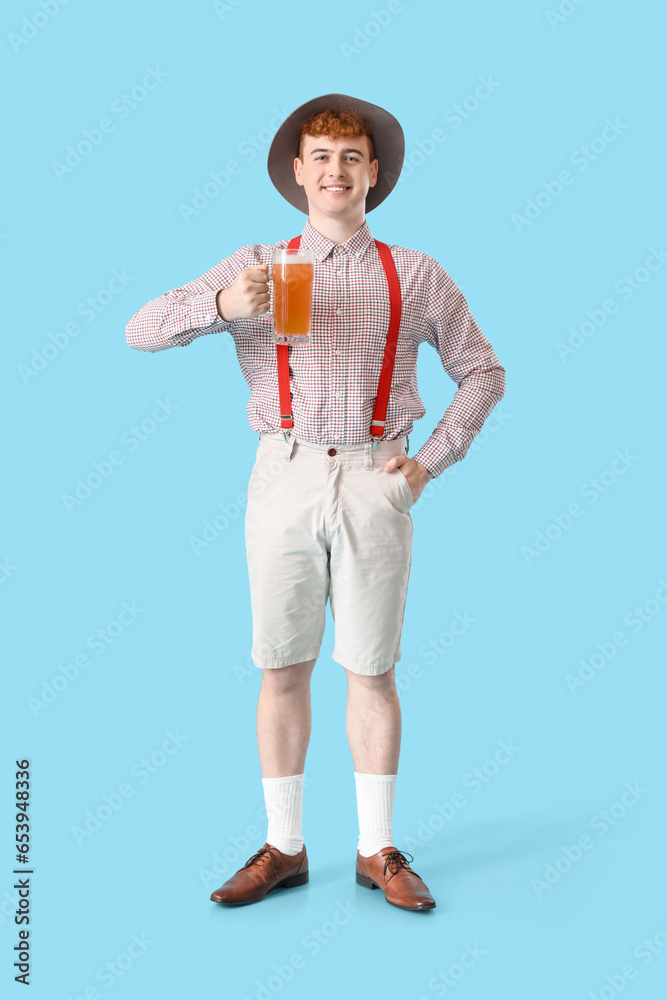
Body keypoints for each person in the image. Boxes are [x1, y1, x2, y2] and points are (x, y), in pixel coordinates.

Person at [126, 93, 506, 911]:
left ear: (373, 174)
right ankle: (285, 847)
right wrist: (221, 307)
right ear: (298, 173)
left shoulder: (416, 273)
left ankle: (376, 849)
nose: (336, 171)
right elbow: (140, 329)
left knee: (372, 670)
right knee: (281, 665)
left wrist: (426, 466)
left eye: (351, 158)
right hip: (284, 474)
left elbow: (483, 372)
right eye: (322, 158)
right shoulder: (256, 265)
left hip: (376, 478)